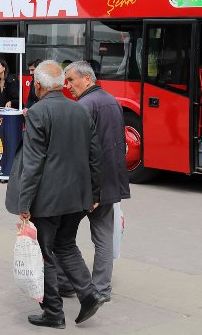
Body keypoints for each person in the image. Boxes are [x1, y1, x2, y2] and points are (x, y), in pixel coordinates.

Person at [17, 60, 104, 328]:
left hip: (48, 199)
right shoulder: (80, 110)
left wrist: (24, 202)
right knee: (66, 245)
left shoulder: (37, 113)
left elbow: (32, 164)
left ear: (39, 85)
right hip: (78, 196)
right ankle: (88, 293)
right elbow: (95, 156)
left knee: (45, 253)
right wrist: (94, 193)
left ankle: (53, 313)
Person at [61, 61, 130, 302]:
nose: (67, 85)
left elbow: (80, 151)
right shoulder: (111, 100)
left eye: (70, 79)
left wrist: (92, 191)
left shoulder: (84, 105)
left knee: (62, 236)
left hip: (89, 187)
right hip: (110, 181)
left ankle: (66, 282)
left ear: (87, 79)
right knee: (103, 238)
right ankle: (102, 289)